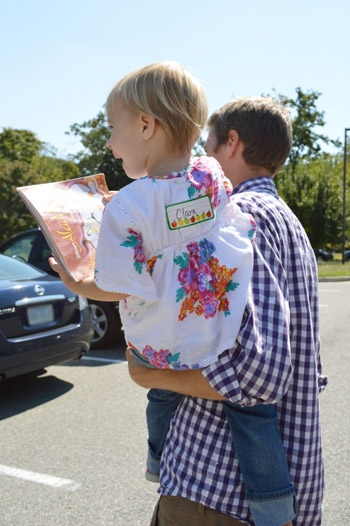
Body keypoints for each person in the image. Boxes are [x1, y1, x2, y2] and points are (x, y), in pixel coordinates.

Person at [49, 64, 295, 526]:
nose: (108, 142)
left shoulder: (127, 204)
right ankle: (274, 506)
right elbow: (186, 215)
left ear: (146, 124)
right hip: (221, 322)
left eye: (111, 128)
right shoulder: (209, 174)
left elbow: (118, 282)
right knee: (253, 415)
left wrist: (78, 284)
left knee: (160, 395)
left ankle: (158, 461)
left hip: (165, 340)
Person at [127, 96, 327, 526]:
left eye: (211, 145)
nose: (203, 158)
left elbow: (262, 374)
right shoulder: (290, 223)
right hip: (259, 492)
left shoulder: (238, 216)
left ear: (232, 143)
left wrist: (154, 374)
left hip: (213, 491)